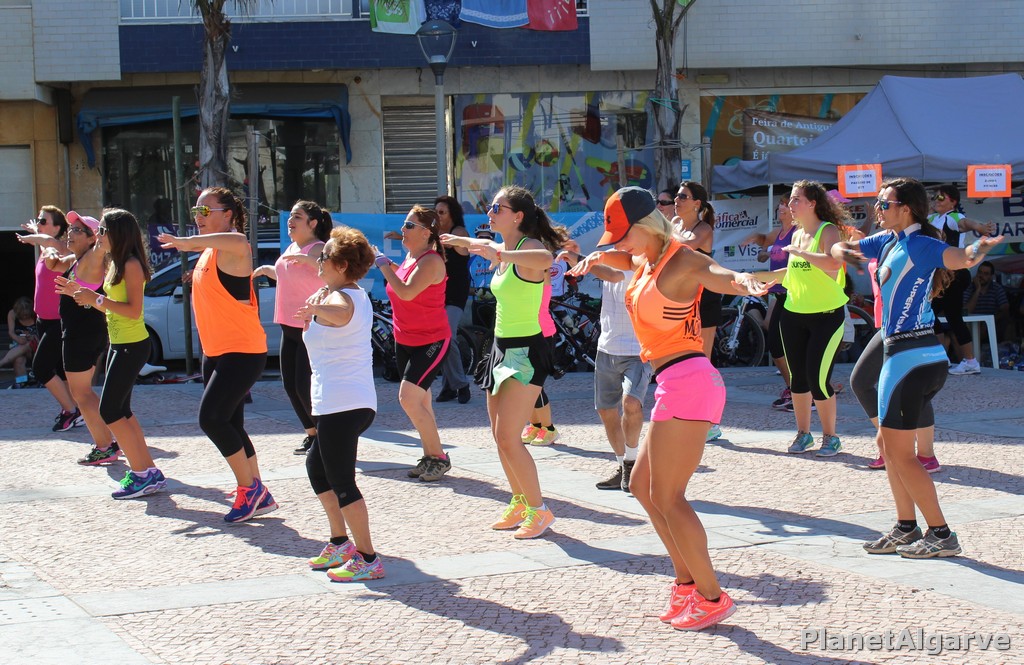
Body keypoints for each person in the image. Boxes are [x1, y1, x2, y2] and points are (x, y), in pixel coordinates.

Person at [569, 186, 769, 630]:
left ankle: (712, 596)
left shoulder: (682, 260)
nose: (620, 243)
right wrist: (592, 258)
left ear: (645, 226)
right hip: (672, 382)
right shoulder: (644, 259)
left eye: (624, 234)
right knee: (642, 487)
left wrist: (744, 281)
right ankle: (686, 584)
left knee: (668, 496)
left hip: (690, 382)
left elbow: (718, 274)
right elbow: (619, 261)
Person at [832, 177, 1002, 559]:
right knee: (888, 447)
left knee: (902, 455)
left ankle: (941, 534)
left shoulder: (921, 244)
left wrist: (978, 248)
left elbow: (960, 258)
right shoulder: (888, 241)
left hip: (911, 360)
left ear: (906, 208)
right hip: (908, 355)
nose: (878, 209)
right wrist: (842, 250)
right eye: (878, 202)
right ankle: (905, 527)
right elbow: (844, 247)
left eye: (884, 203)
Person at [440, 185, 564, 539]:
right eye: (490, 208)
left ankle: (540, 510)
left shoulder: (530, 248)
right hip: (499, 347)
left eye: (497, 208)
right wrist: (467, 243)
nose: (490, 213)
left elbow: (546, 260)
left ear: (518, 216)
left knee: (510, 436)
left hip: (528, 349)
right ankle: (521, 502)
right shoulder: (505, 250)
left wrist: (493, 250)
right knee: (500, 436)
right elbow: (490, 251)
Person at [158, 187, 274, 523]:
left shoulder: (237, 244)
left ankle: (249, 489)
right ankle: (259, 493)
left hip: (243, 351)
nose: (198, 217)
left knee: (211, 419)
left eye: (206, 211)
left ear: (229, 215)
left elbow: (235, 242)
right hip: (216, 352)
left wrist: (184, 242)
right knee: (232, 424)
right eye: (196, 210)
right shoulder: (209, 251)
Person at [297, 226, 384, 582]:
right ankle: (340, 543)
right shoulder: (338, 293)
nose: (319, 262)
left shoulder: (344, 298)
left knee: (343, 481)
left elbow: (340, 313)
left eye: (324, 257)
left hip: (345, 403)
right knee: (317, 468)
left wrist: (317, 309)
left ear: (342, 265)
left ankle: (368, 558)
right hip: (335, 401)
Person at [63, 209, 167, 498]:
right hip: (120, 344)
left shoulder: (131, 265)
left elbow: (133, 311)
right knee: (121, 411)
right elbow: (108, 305)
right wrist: (80, 293)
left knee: (110, 411)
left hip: (132, 345)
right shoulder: (116, 263)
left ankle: (142, 474)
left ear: (117, 234)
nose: (99, 236)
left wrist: (95, 298)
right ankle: (148, 472)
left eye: (103, 230)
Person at [753, 181, 847, 457]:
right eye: (790, 200)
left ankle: (830, 437)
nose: (789, 205)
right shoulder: (796, 234)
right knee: (798, 381)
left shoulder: (828, 231)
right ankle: (803, 434)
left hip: (826, 316)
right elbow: (790, 275)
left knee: (818, 380)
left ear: (812, 203)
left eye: (796, 200)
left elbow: (833, 264)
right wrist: (755, 278)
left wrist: (801, 253)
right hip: (794, 314)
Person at [376, 206, 453, 482]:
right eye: (404, 224)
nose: (403, 230)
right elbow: (407, 278)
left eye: (409, 225)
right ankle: (430, 456)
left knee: (407, 398)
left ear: (426, 232)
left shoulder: (431, 261)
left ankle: (439, 457)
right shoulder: (411, 257)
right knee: (421, 401)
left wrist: (383, 266)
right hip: (405, 338)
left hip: (431, 340)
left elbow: (406, 292)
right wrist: (389, 264)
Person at [253, 200, 332, 456]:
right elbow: (289, 274)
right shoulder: (292, 246)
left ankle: (326, 437)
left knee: (303, 385)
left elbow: (329, 272)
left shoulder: (320, 247)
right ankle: (312, 434)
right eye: (291, 216)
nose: (291, 221)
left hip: (310, 326)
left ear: (313, 223)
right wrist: (266, 270)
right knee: (289, 385)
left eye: (297, 217)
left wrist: (305, 259)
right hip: (288, 325)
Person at [579, 256, 651, 492]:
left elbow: (612, 275)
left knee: (631, 404)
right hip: (607, 347)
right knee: (606, 410)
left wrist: (581, 260)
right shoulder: (610, 255)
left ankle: (631, 462)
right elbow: (607, 270)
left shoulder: (643, 260)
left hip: (638, 350)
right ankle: (623, 466)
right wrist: (575, 257)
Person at [49, 212, 116, 454]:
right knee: (83, 393)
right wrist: (47, 248)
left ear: (92, 238)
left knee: (81, 394)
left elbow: (101, 246)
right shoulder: (78, 259)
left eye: (78, 230)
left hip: (81, 335)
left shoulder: (91, 257)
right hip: (83, 334)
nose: (70, 233)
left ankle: (105, 445)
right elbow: (52, 258)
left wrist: (105, 230)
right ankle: (108, 441)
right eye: (71, 228)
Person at [17, 207, 81, 429]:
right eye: (39, 220)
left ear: (57, 227)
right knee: (61, 369)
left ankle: (71, 411)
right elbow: (45, 240)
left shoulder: (61, 247)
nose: (40, 223)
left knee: (41, 368)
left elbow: (47, 240)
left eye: (44, 221)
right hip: (43, 320)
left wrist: (32, 236)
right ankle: (76, 410)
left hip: (58, 321)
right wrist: (37, 231)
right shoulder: (47, 248)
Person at [670, 181, 724, 442]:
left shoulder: (703, 229)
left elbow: (682, 247)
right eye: (677, 196)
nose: (677, 200)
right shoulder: (673, 224)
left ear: (697, 204)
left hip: (705, 298)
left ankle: (712, 421)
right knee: (683, 359)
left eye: (683, 196)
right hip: (682, 297)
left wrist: (661, 233)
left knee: (703, 360)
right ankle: (688, 414)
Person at [928, 184, 997, 375]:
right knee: (927, 314)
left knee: (953, 317)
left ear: (953, 202)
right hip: (941, 276)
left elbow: (967, 223)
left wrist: (981, 227)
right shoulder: (932, 218)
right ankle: (941, 359)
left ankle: (970, 361)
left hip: (955, 274)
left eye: (940, 197)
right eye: (934, 197)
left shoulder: (953, 217)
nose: (936, 200)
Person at [744, 194, 795, 409]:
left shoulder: (798, 233)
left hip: (794, 295)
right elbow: (765, 242)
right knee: (775, 343)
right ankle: (793, 387)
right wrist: (760, 245)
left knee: (788, 345)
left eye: (786, 204)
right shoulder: (778, 232)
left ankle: (801, 391)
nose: (781, 207)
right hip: (777, 293)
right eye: (780, 204)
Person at [433, 195, 473, 405]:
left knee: (446, 336)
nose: (438, 215)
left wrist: (440, 240)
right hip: (437, 292)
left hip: (456, 292)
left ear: (452, 214)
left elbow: (461, 247)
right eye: (436, 212)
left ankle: (461, 384)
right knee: (442, 337)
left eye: (442, 212)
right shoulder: (433, 234)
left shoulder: (459, 232)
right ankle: (449, 387)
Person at [963, 260, 1009, 342]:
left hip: (991, 323)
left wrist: (991, 320)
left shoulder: (997, 288)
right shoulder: (969, 287)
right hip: (972, 322)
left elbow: (1005, 309)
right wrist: (977, 290)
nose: (981, 276)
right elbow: (966, 311)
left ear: (991, 276)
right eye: (980, 272)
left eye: (986, 274)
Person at [2, 297, 37, 388]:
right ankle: (22, 383)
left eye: (26, 315)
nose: (24, 317)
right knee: (18, 359)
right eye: (22, 315)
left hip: (35, 348)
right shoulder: (12, 314)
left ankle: (2, 362)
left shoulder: (37, 314)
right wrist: (17, 338)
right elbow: (11, 332)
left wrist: (32, 336)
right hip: (18, 346)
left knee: (29, 344)